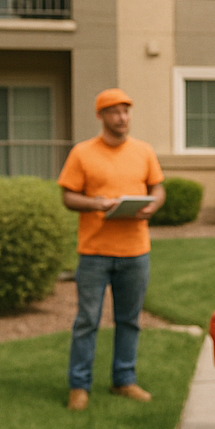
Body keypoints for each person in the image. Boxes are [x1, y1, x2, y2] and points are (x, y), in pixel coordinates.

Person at [58, 88, 165, 411]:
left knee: (129, 320)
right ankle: (79, 386)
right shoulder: (82, 153)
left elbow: (157, 188)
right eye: (115, 112)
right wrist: (96, 203)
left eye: (126, 111)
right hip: (94, 253)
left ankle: (124, 380)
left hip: (135, 251)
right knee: (87, 321)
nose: (122, 117)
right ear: (101, 116)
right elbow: (67, 196)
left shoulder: (144, 151)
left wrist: (152, 206)